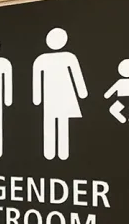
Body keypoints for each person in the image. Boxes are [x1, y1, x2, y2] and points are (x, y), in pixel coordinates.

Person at [32, 27, 88, 161]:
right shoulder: (42, 59)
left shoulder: (68, 57)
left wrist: (82, 93)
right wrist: (37, 98)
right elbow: (37, 80)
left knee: (60, 124)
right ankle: (50, 152)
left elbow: (77, 77)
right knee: (51, 124)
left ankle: (60, 152)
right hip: (52, 98)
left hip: (63, 98)